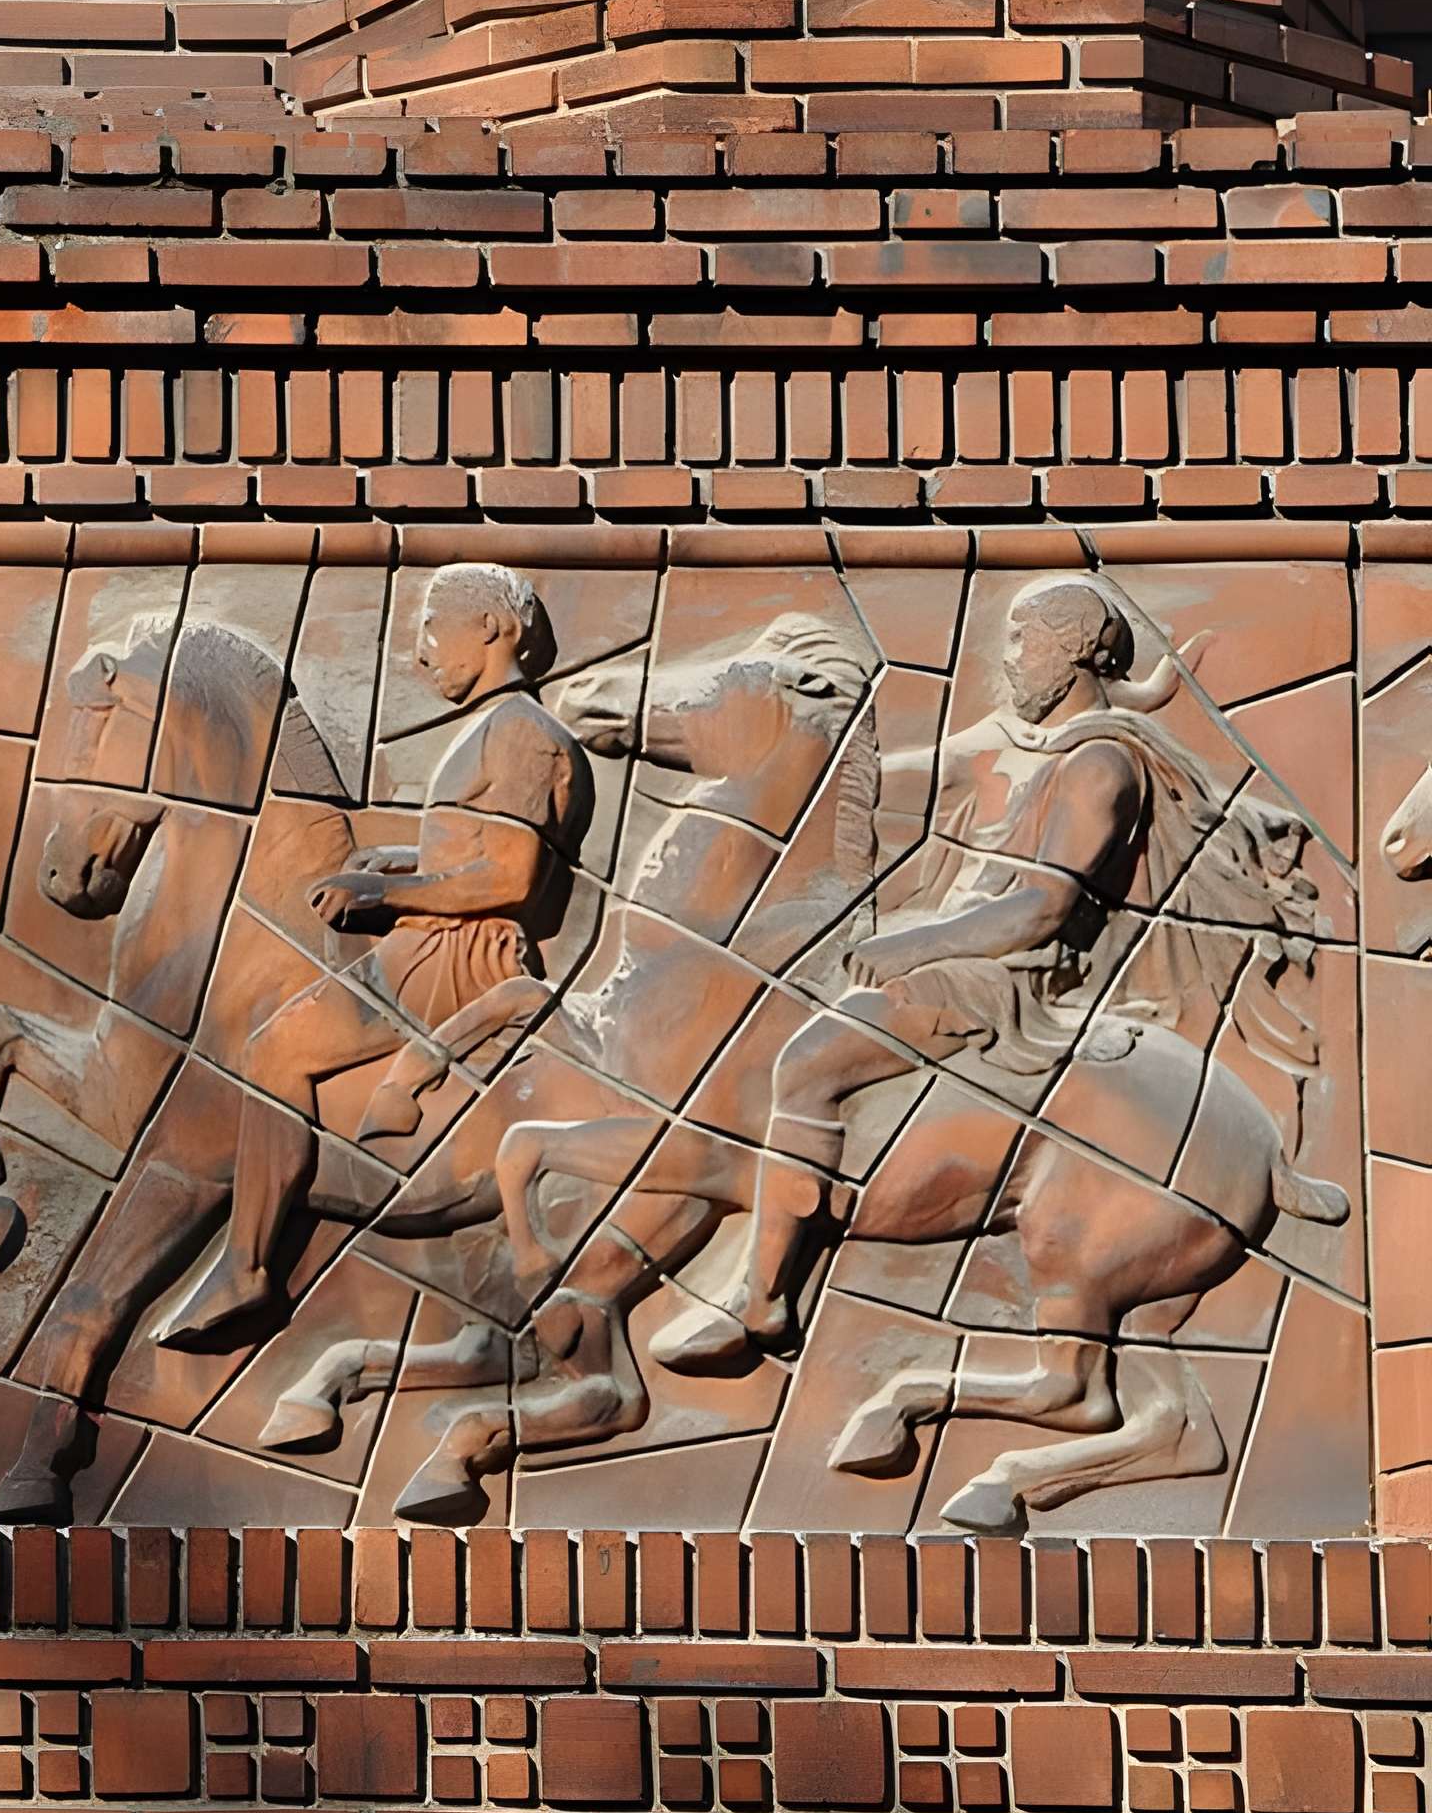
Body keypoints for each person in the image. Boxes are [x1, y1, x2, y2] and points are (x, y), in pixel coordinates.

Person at [716, 572, 1310, 1361]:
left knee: (806, 1063)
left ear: (1069, 654)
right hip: (968, 948)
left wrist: (912, 944)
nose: (1009, 661)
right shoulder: (1025, 738)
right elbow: (910, 777)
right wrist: (805, 750)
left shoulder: (1102, 766)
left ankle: (761, 1297)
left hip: (1008, 979)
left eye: (1023, 643)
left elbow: (1040, 909)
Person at [160, 562, 586, 1346]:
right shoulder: (495, 730)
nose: (421, 654)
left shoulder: (525, 734)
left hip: (458, 957)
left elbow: (511, 874)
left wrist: (389, 897)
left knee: (277, 1046)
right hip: (436, 938)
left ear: (492, 629)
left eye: (433, 628)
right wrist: (392, 861)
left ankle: (249, 1267)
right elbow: (474, 845)